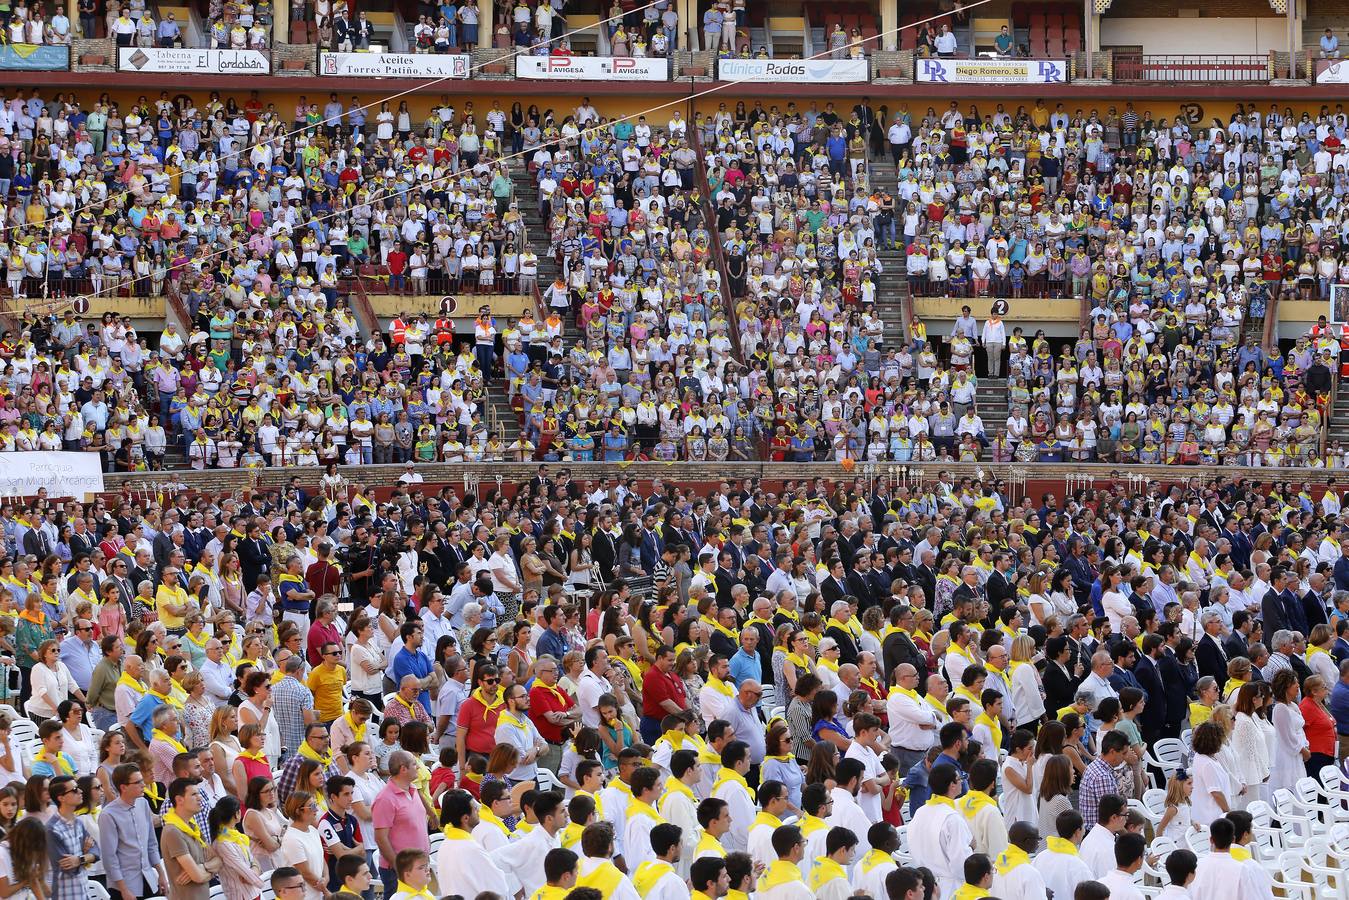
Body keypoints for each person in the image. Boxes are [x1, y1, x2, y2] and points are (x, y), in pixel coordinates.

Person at [906, 763, 972, 898]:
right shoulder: (952, 819)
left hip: (924, 886)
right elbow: (961, 864)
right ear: (952, 785)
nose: (962, 782)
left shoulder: (920, 812)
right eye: (960, 779)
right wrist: (971, 846)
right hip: (951, 888)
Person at [371, 751, 430, 899]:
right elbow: (380, 837)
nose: (418, 767)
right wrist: (398, 866)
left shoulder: (413, 790)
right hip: (399, 870)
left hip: (418, 866)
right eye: (414, 764)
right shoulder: (385, 799)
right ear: (403, 769)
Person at [436, 789, 510, 897]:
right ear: (466, 818)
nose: (479, 811)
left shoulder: (445, 844)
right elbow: (499, 887)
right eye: (475, 809)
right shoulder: (472, 848)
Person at [161, 776, 220, 900]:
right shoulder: (173, 831)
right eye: (194, 794)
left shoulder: (193, 826)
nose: (200, 798)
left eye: (198, 793)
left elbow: (218, 860)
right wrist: (207, 870)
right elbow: (198, 877)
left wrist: (203, 867)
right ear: (179, 800)